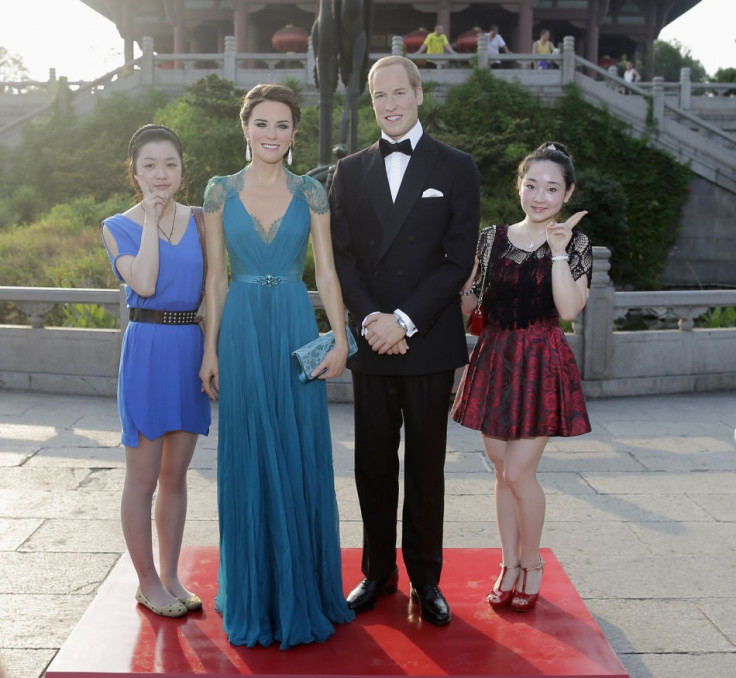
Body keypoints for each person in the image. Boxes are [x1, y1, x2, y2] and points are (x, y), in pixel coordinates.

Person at [198, 83, 354, 649]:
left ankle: (303, 590)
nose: (271, 134)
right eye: (261, 123)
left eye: (282, 125)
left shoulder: (312, 192)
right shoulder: (219, 192)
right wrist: (210, 348)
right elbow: (215, 278)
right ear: (245, 128)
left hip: (292, 323)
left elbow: (328, 275)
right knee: (247, 455)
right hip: (239, 327)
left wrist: (339, 338)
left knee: (298, 450)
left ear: (294, 133)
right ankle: (254, 592)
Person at [330, 55, 480, 626]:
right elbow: (343, 255)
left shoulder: (456, 166)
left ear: (419, 93)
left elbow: (456, 258)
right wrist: (372, 319)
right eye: (378, 96)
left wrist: (405, 321)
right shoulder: (348, 170)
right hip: (373, 342)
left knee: (425, 464)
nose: (389, 104)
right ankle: (376, 573)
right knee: (370, 463)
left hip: (427, 340)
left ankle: (426, 577)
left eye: (399, 92)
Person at [451, 142, 592, 613]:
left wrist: (555, 251)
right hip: (495, 357)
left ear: (567, 193)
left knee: (519, 472)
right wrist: (463, 281)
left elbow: (570, 309)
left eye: (552, 188)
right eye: (531, 184)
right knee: (500, 472)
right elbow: (470, 305)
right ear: (519, 184)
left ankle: (532, 562)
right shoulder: (492, 238)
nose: (539, 195)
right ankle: (507, 563)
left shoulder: (575, 243)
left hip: (540, 361)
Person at [101, 124, 211, 618]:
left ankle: (170, 575)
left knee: (175, 475)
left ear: (182, 169)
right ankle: (146, 582)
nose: (160, 174)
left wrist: (212, 352)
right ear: (135, 171)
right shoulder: (117, 226)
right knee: (142, 478)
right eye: (149, 165)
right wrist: (149, 219)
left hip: (190, 346)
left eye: (170, 164)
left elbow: (213, 292)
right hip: (147, 349)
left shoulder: (203, 220)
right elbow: (143, 282)